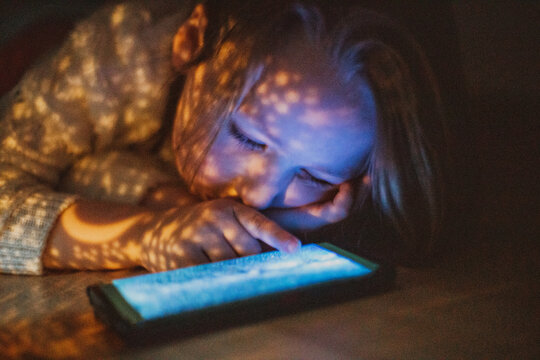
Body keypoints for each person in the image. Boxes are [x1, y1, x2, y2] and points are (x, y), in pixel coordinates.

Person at [0, 0, 446, 275]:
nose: (261, 192)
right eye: (248, 139)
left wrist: (243, 225)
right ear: (192, 42)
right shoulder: (115, 57)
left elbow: (85, 170)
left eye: (313, 174)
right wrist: (147, 231)